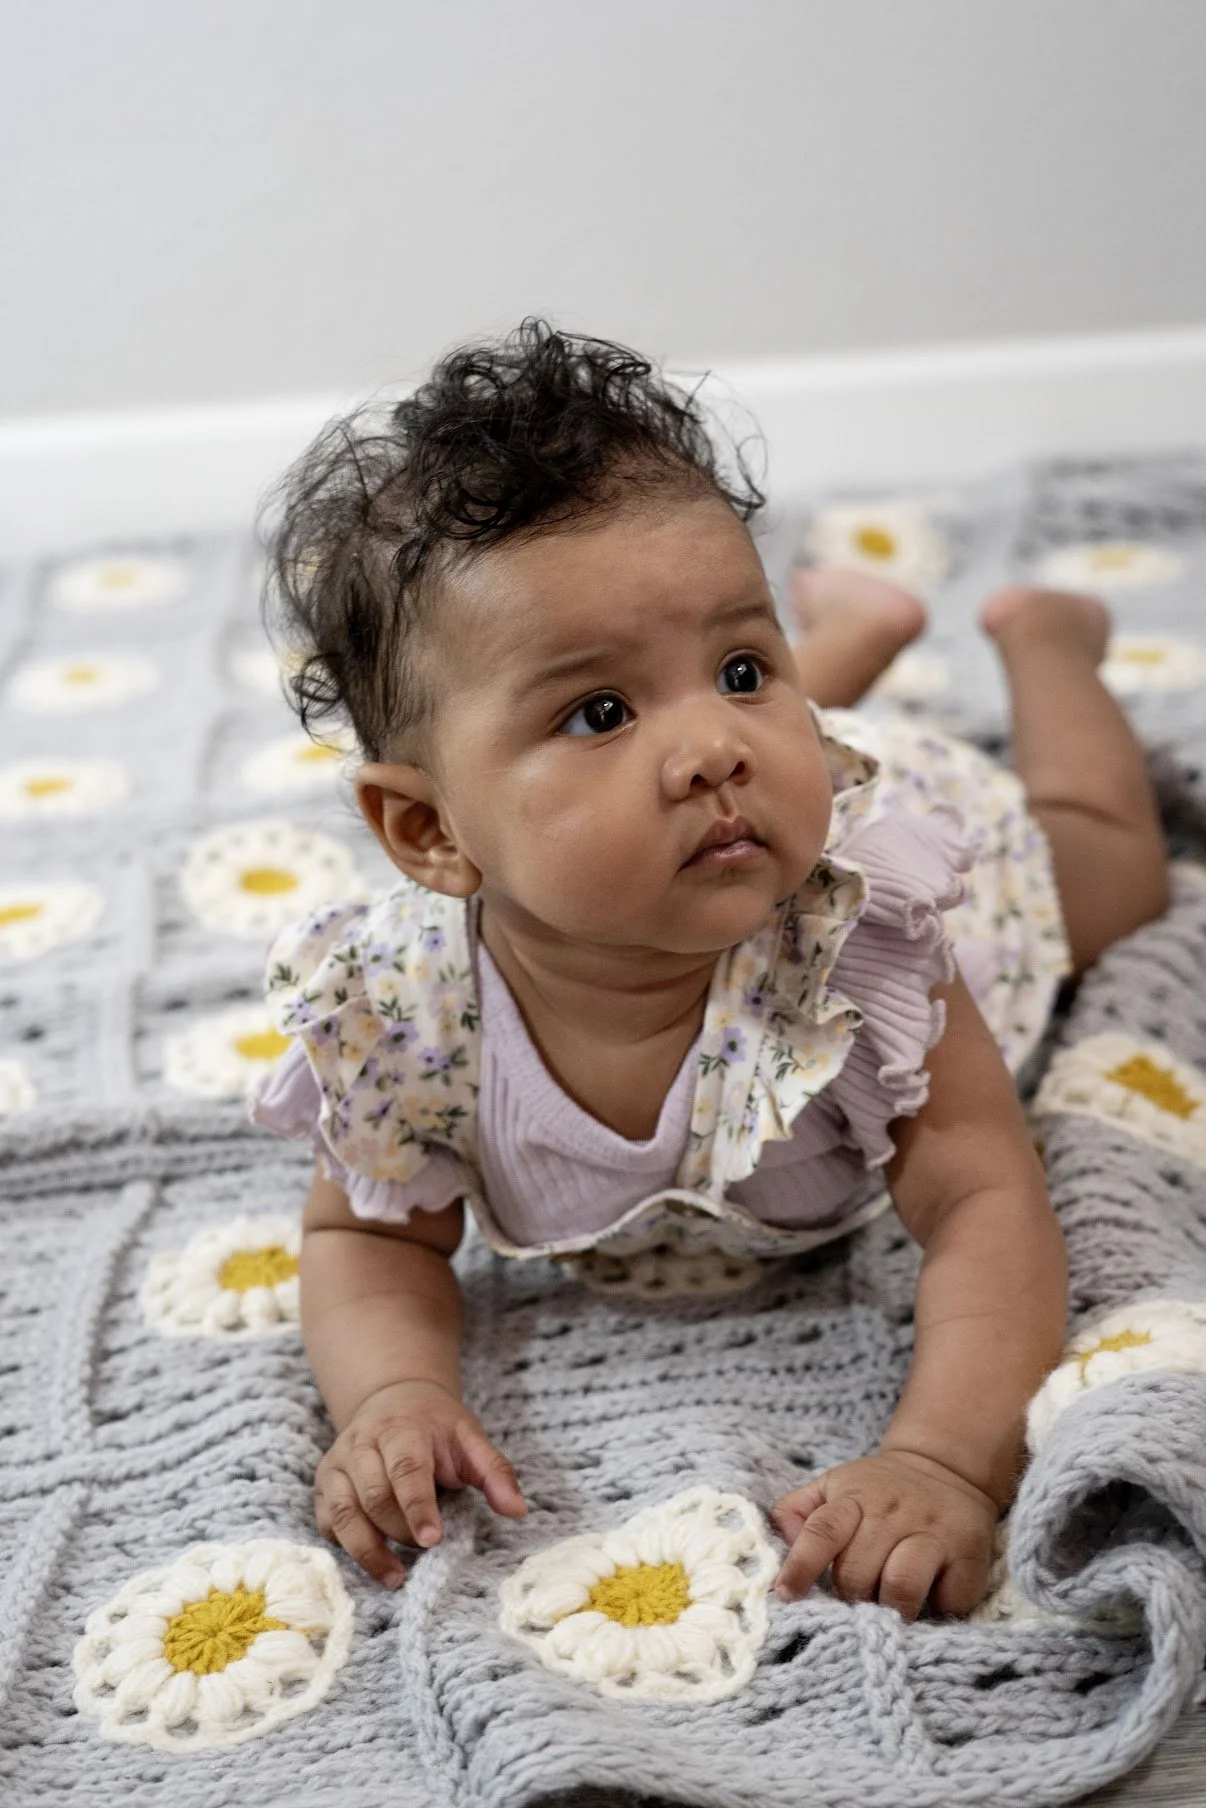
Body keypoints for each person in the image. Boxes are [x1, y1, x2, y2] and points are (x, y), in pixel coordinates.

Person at [252, 320, 1169, 1620]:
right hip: (700, 839)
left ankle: (1045, 647)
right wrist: (395, 1391)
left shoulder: (868, 942)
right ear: (430, 832)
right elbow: (365, 1230)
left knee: (1110, 874)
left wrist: (942, 1463)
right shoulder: (408, 1013)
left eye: (747, 667)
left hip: (912, 843)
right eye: (596, 713)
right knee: (703, 776)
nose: (706, 744)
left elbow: (983, 1204)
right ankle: (855, 630)